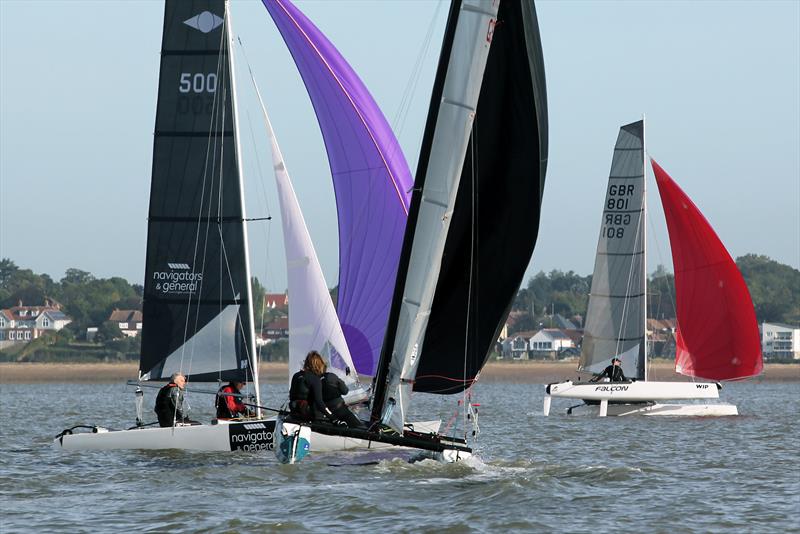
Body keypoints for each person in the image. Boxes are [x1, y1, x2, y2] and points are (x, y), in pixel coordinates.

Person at [288, 351, 333, 422]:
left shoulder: (296, 375)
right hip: (309, 416)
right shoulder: (314, 379)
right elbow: (320, 403)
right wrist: (333, 418)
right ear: (318, 365)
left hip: (294, 414)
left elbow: (291, 396)